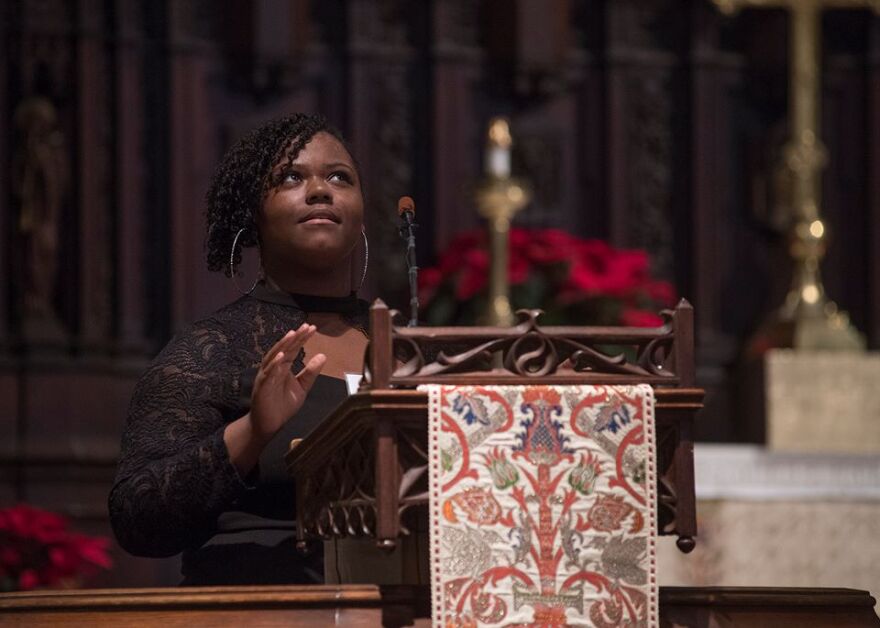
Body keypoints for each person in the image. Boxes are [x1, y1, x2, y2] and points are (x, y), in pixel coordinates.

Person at [109, 113, 370, 585]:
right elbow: (136, 517)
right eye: (291, 177)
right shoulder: (213, 348)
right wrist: (252, 431)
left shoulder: (405, 344)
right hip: (258, 604)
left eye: (339, 177)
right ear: (252, 214)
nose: (320, 190)